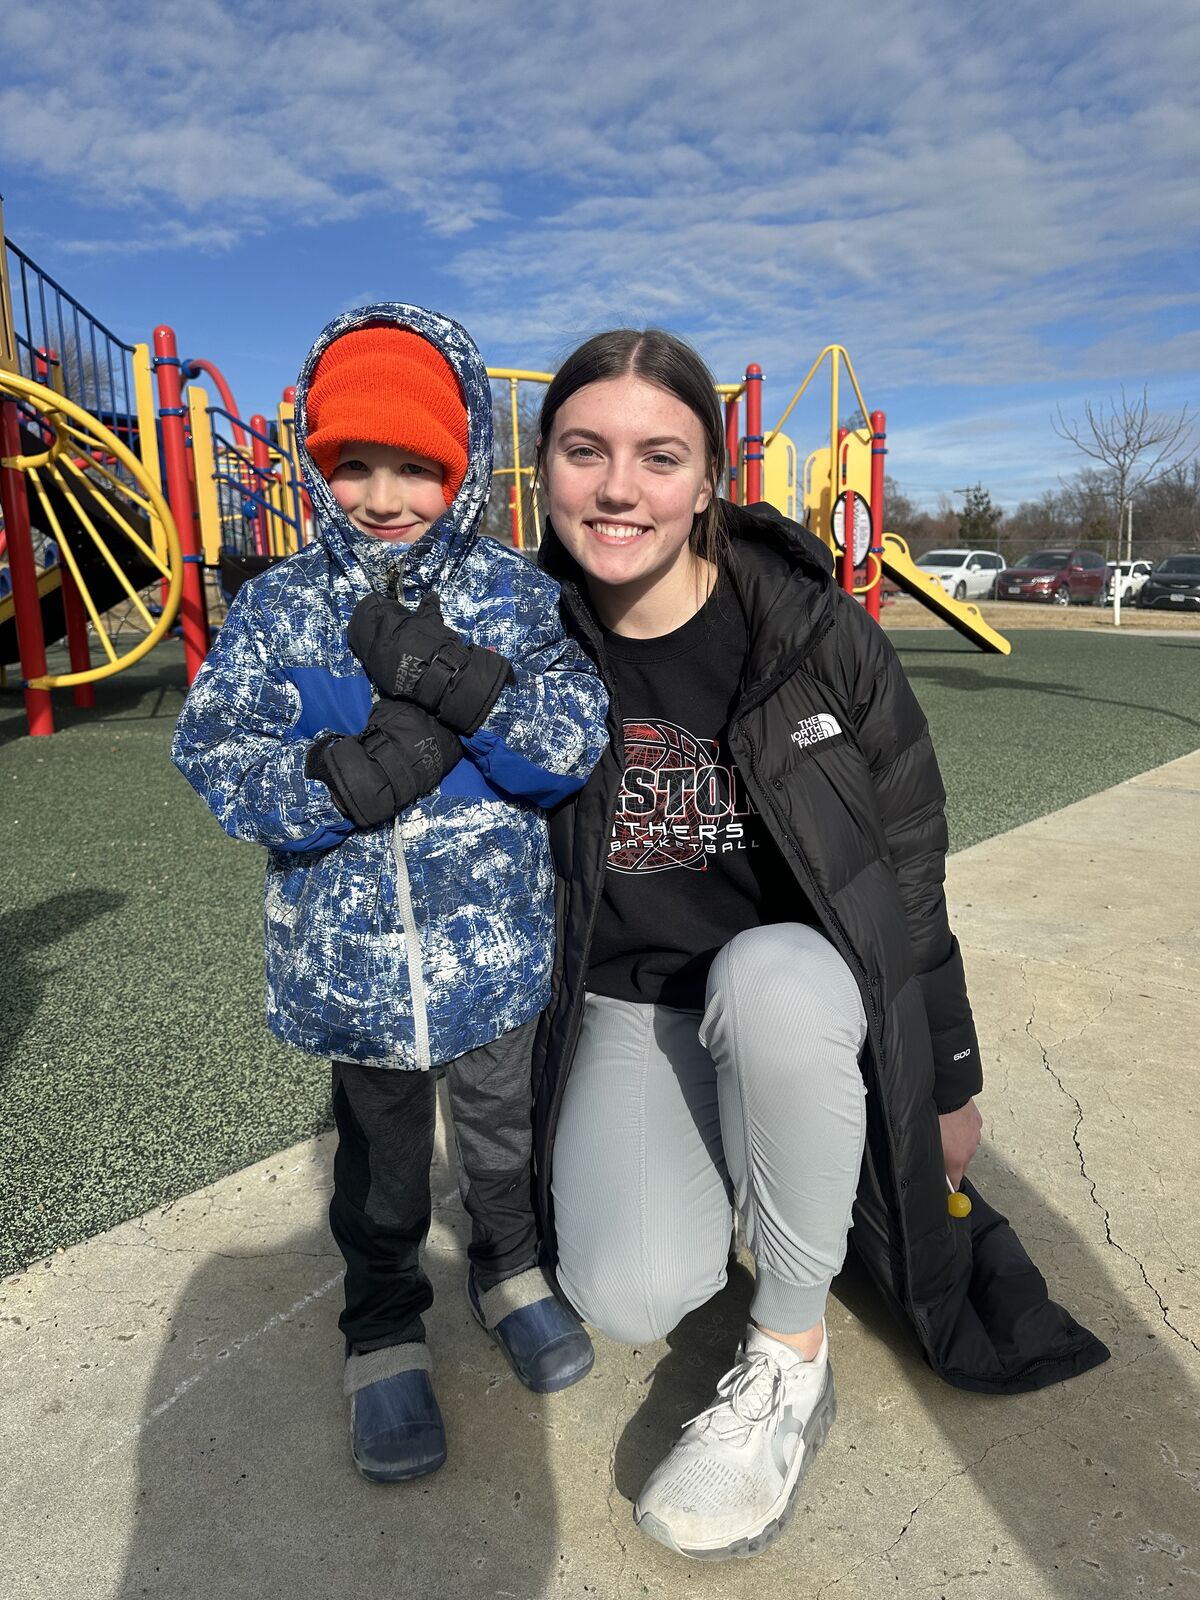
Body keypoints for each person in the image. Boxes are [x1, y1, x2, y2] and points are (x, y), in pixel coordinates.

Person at [529, 329, 1109, 1561]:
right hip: (633, 1005)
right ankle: (797, 1169)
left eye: (658, 455)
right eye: (586, 451)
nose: (619, 487)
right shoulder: (526, 642)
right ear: (544, 468)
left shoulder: (814, 637)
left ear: (708, 478)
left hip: (791, 994)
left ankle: (791, 1354)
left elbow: (906, 872)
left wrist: (947, 1080)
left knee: (773, 974)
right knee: (632, 1292)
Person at [172, 306, 608, 1484]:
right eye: (353, 463)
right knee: (379, 1163)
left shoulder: (517, 598)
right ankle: (382, 1325)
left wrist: (466, 686)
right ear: (319, 467)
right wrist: (326, 779)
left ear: (461, 465)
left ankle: (510, 1268)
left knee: (503, 1135)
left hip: (496, 955)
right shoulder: (277, 608)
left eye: (414, 465)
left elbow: (569, 742)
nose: (381, 493)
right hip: (353, 968)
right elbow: (212, 754)